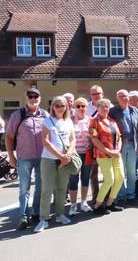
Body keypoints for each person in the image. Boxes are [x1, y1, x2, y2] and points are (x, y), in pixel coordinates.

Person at [6, 88, 49, 230]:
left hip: (42, 157)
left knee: (40, 187)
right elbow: (9, 137)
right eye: (30, 96)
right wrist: (11, 156)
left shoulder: (45, 115)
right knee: (24, 188)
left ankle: (36, 212)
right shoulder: (18, 115)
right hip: (24, 157)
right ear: (26, 98)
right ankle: (23, 216)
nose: (33, 98)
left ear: (40, 98)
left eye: (36, 96)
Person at [34, 96, 76, 233]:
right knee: (47, 189)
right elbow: (45, 141)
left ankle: (60, 215)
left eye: (62, 105)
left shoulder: (68, 121)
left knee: (61, 189)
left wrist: (68, 155)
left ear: (66, 107)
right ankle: (43, 219)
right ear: (52, 107)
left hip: (65, 159)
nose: (60, 108)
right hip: (49, 159)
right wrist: (61, 156)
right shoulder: (47, 121)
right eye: (57, 105)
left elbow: (72, 140)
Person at [90, 98, 124, 215]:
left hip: (116, 153)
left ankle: (110, 203)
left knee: (120, 178)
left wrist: (118, 149)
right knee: (109, 180)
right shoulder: (94, 121)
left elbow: (119, 136)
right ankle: (98, 205)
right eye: (102, 106)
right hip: (103, 154)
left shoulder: (112, 120)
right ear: (97, 108)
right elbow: (94, 140)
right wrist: (108, 151)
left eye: (107, 106)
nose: (105, 109)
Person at [109, 90, 138, 206]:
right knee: (120, 172)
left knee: (132, 172)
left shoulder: (134, 110)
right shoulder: (113, 111)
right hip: (119, 146)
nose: (124, 98)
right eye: (121, 96)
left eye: (126, 96)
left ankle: (131, 195)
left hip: (133, 144)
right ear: (117, 98)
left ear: (129, 98)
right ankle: (121, 196)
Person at [68, 97, 92, 215]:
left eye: (83, 106)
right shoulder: (69, 120)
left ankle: (83, 202)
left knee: (85, 178)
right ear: (74, 108)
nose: (81, 108)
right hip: (74, 155)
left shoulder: (90, 120)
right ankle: (73, 205)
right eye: (78, 106)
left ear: (87, 108)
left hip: (87, 154)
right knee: (73, 180)